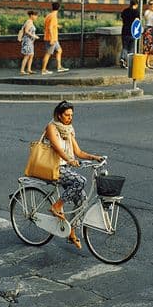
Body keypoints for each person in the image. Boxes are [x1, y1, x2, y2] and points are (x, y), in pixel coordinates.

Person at [42, 100, 104, 250]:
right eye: (67, 115)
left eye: (71, 115)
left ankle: (71, 233)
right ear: (59, 115)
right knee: (80, 180)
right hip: (53, 168)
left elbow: (78, 152)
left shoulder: (68, 130)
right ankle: (56, 206)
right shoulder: (51, 127)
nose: (70, 118)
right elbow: (58, 149)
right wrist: (69, 160)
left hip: (64, 169)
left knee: (82, 200)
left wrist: (94, 157)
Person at [40, 1, 68, 74]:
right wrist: (52, 38)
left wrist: (58, 26)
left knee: (59, 51)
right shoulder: (53, 16)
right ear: (59, 8)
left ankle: (59, 67)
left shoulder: (49, 15)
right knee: (48, 53)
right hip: (51, 38)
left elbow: (48, 25)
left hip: (53, 38)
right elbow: (49, 28)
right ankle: (43, 70)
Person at [119, 0, 139, 68]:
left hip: (124, 31)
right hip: (133, 32)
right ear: (136, 4)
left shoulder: (125, 11)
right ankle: (128, 63)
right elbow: (137, 22)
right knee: (131, 48)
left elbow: (122, 19)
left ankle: (122, 58)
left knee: (125, 47)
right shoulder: (136, 12)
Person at [18, 10, 39, 75]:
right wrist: (34, 36)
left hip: (30, 41)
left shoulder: (31, 22)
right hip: (27, 41)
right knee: (27, 55)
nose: (36, 17)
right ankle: (22, 70)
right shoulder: (29, 21)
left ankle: (29, 69)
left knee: (31, 55)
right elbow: (26, 31)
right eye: (35, 15)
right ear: (31, 15)